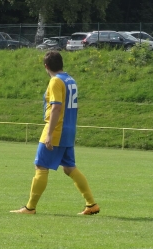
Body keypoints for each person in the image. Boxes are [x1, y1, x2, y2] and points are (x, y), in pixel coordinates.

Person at [10, 51, 99, 215]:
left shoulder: (55, 81)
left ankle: (30, 207)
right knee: (69, 167)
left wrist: (49, 134)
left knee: (41, 166)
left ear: (46, 66)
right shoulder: (70, 80)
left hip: (57, 129)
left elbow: (57, 107)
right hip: (69, 129)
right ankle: (91, 203)